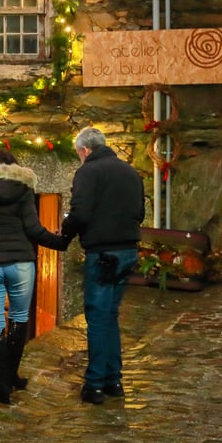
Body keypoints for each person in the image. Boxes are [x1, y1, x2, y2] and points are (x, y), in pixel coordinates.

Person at [0, 149, 69, 405]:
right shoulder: (23, 189)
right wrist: (59, 242)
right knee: (19, 319)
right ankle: (12, 376)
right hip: (21, 263)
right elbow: (33, 229)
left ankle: (2, 385)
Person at [60, 127, 144, 405]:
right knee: (110, 316)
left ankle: (95, 384)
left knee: (97, 318)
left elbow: (80, 213)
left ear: (85, 150)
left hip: (103, 252)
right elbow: (140, 212)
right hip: (128, 250)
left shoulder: (88, 172)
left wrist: (65, 230)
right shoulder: (130, 171)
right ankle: (114, 380)